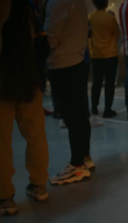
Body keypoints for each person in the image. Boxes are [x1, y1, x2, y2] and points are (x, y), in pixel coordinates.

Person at [0, 0, 49, 215]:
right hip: (29, 80)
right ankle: (39, 185)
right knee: (36, 136)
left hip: (2, 82)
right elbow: (40, 44)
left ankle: (5, 198)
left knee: (2, 143)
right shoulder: (27, 7)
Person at [44, 0, 93, 185]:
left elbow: (51, 36)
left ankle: (77, 164)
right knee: (80, 115)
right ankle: (84, 157)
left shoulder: (58, 2)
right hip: (77, 60)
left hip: (63, 64)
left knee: (72, 117)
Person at [89, 0, 121, 118]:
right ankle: (108, 109)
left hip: (96, 54)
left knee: (96, 82)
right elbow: (117, 34)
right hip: (110, 54)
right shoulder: (110, 17)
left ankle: (94, 106)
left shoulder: (90, 17)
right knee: (109, 83)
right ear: (106, 3)